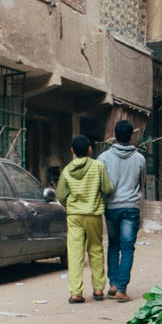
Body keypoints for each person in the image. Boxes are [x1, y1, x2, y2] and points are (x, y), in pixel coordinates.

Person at [57, 135, 114, 304]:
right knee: (96, 249)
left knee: (75, 253)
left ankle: (76, 293)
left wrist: (70, 204)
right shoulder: (98, 166)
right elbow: (108, 188)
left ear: (72, 151)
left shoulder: (66, 170)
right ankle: (98, 289)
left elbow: (61, 195)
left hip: (74, 216)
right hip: (93, 214)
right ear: (90, 149)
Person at [98, 119, 145, 303]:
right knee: (127, 248)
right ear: (131, 136)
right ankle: (122, 290)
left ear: (115, 136)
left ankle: (114, 284)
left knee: (114, 244)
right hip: (131, 207)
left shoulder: (103, 158)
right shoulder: (140, 158)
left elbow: (101, 184)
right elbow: (141, 184)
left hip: (111, 207)